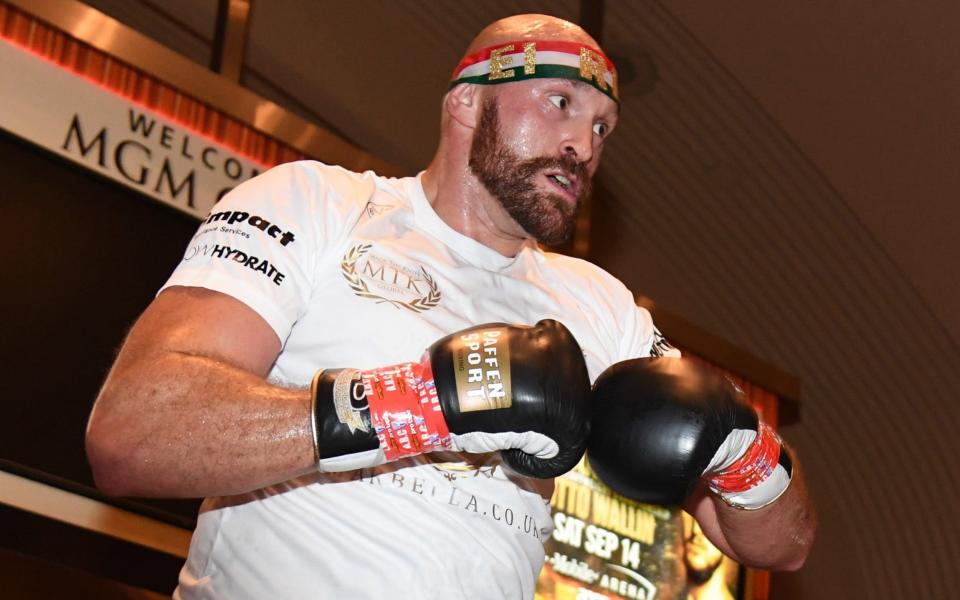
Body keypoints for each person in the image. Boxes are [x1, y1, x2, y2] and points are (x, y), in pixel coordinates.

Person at [85, 13, 815, 599]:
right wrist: (422, 404)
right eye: (561, 103)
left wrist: (743, 446)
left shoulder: (601, 308)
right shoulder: (323, 204)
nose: (581, 145)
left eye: (600, 129)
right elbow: (134, 430)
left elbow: (782, 544)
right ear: (467, 100)